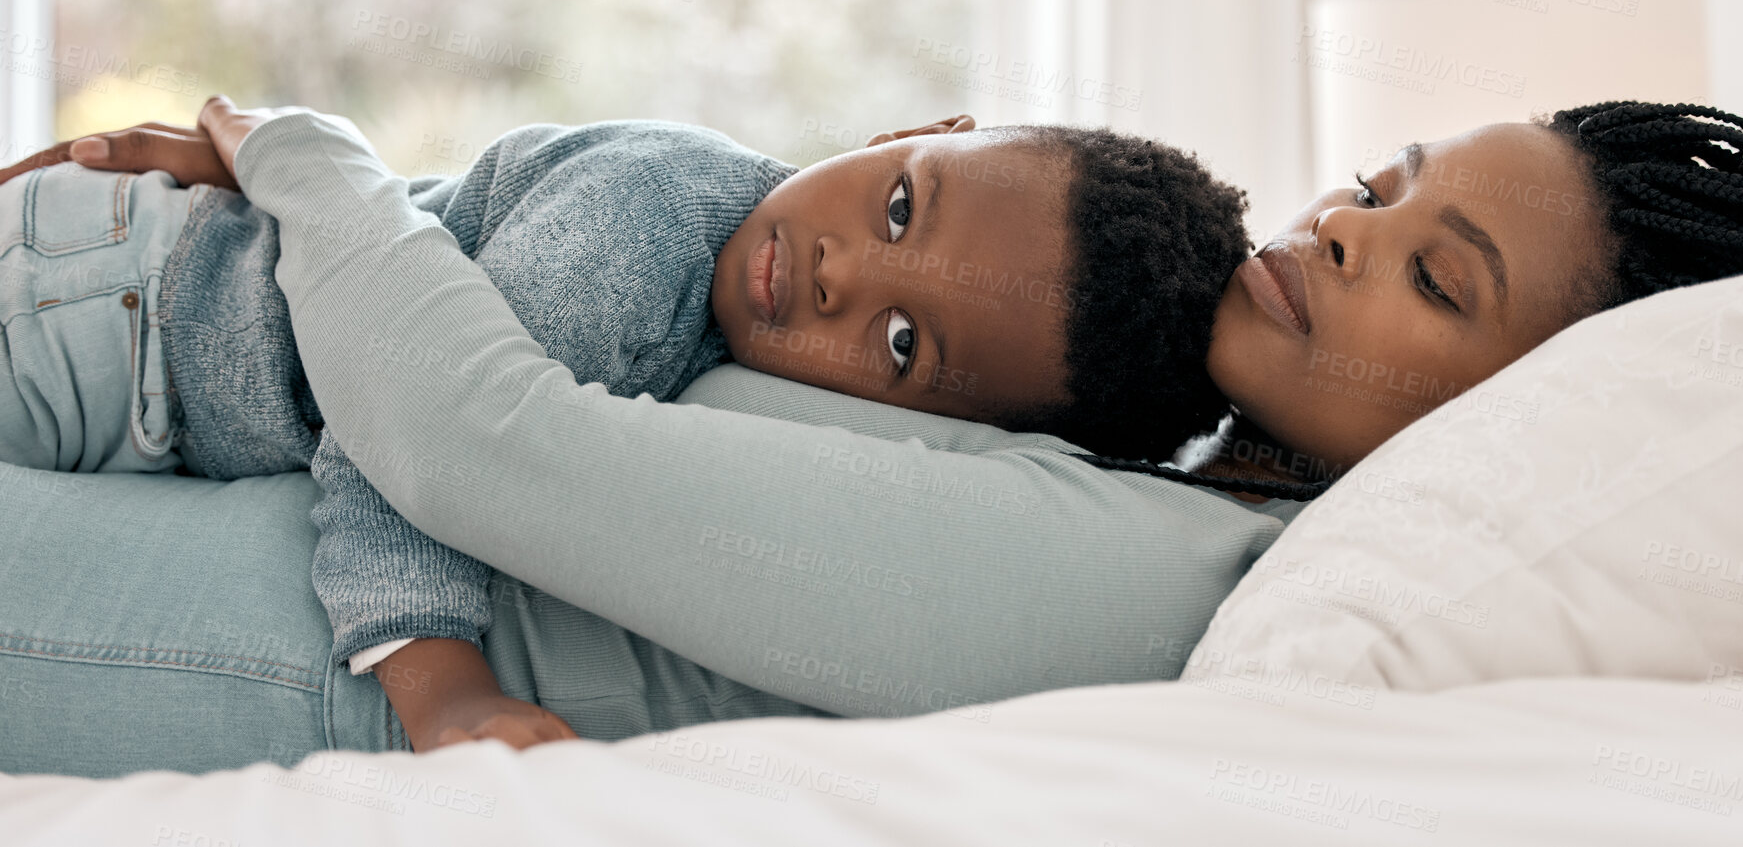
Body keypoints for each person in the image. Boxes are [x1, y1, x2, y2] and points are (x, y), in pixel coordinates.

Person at [0, 98, 1743, 778]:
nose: (1340, 229)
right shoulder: (1160, 442)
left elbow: (486, 443)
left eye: (1432, 276)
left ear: (1519, 412)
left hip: (273, 634)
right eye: (1376, 182)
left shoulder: (1162, 577)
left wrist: (296, 146)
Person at [0, 104, 1253, 754]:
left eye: (901, 344)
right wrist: (437, 681)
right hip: (116, 307)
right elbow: (418, 418)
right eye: (897, 203)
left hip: (152, 371)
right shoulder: (651, 216)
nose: (836, 275)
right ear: (903, 129)